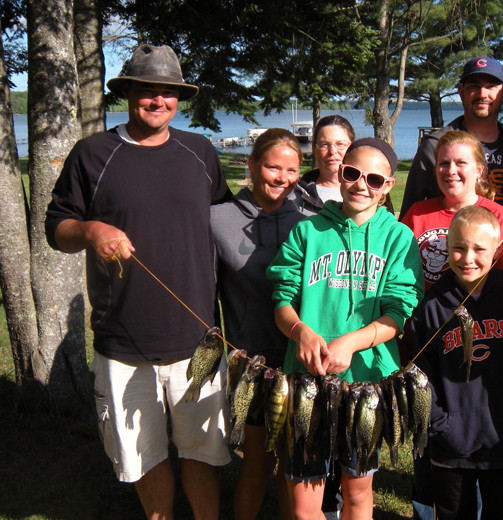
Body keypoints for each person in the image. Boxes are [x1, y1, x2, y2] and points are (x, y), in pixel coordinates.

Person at [44, 44, 231, 520]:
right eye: (147, 91)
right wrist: (91, 230)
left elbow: (231, 226)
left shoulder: (202, 154)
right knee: (144, 458)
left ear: (179, 99)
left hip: (198, 343)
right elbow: (57, 227)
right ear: (127, 93)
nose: (158, 101)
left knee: (203, 452)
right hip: (123, 344)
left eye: (168, 93)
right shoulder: (92, 154)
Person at [266, 138, 423, 520]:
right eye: (352, 174)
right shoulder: (309, 232)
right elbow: (281, 300)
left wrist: (353, 341)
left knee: (357, 495)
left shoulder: (398, 238)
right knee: (304, 506)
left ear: (388, 186)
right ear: (339, 174)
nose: (360, 185)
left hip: (365, 386)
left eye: (373, 179)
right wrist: (301, 331)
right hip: (307, 384)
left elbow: (398, 313)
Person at [408, 206, 503, 520]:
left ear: (496, 251)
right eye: (458, 248)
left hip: (502, 438)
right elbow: (420, 377)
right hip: (449, 447)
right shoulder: (431, 307)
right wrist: (440, 427)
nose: (468, 258)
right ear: (446, 248)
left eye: (479, 249)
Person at [211, 128, 305, 520]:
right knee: (256, 464)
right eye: (272, 167)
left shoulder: (311, 221)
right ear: (251, 165)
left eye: (292, 170)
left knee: (294, 467)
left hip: (302, 361)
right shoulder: (218, 219)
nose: (281, 178)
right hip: (252, 365)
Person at [401, 130, 503, 292]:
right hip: (425, 314)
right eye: (444, 163)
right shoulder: (417, 214)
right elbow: (396, 271)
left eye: (461, 163)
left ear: (479, 171)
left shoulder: (498, 217)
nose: (451, 171)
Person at [399, 56, 503, 220]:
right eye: (474, 86)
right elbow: (410, 215)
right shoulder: (435, 146)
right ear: (461, 91)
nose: (482, 94)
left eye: (491, 86)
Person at [292, 115, 393, 218]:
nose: (332, 151)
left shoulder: (375, 191)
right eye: (324, 144)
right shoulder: (296, 194)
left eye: (340, 144)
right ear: (314, 149)